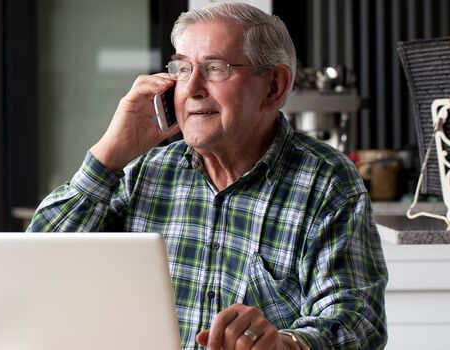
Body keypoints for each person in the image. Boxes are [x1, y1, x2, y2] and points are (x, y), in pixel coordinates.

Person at [28, 2, 388, 349]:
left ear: (274, 87)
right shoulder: (145, 172)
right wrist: (109, 155)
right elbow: (35, 268)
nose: (193, 88)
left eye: (216, 68)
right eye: (182, 69)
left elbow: (357, 319)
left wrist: (286, 345)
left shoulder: (325, 181)